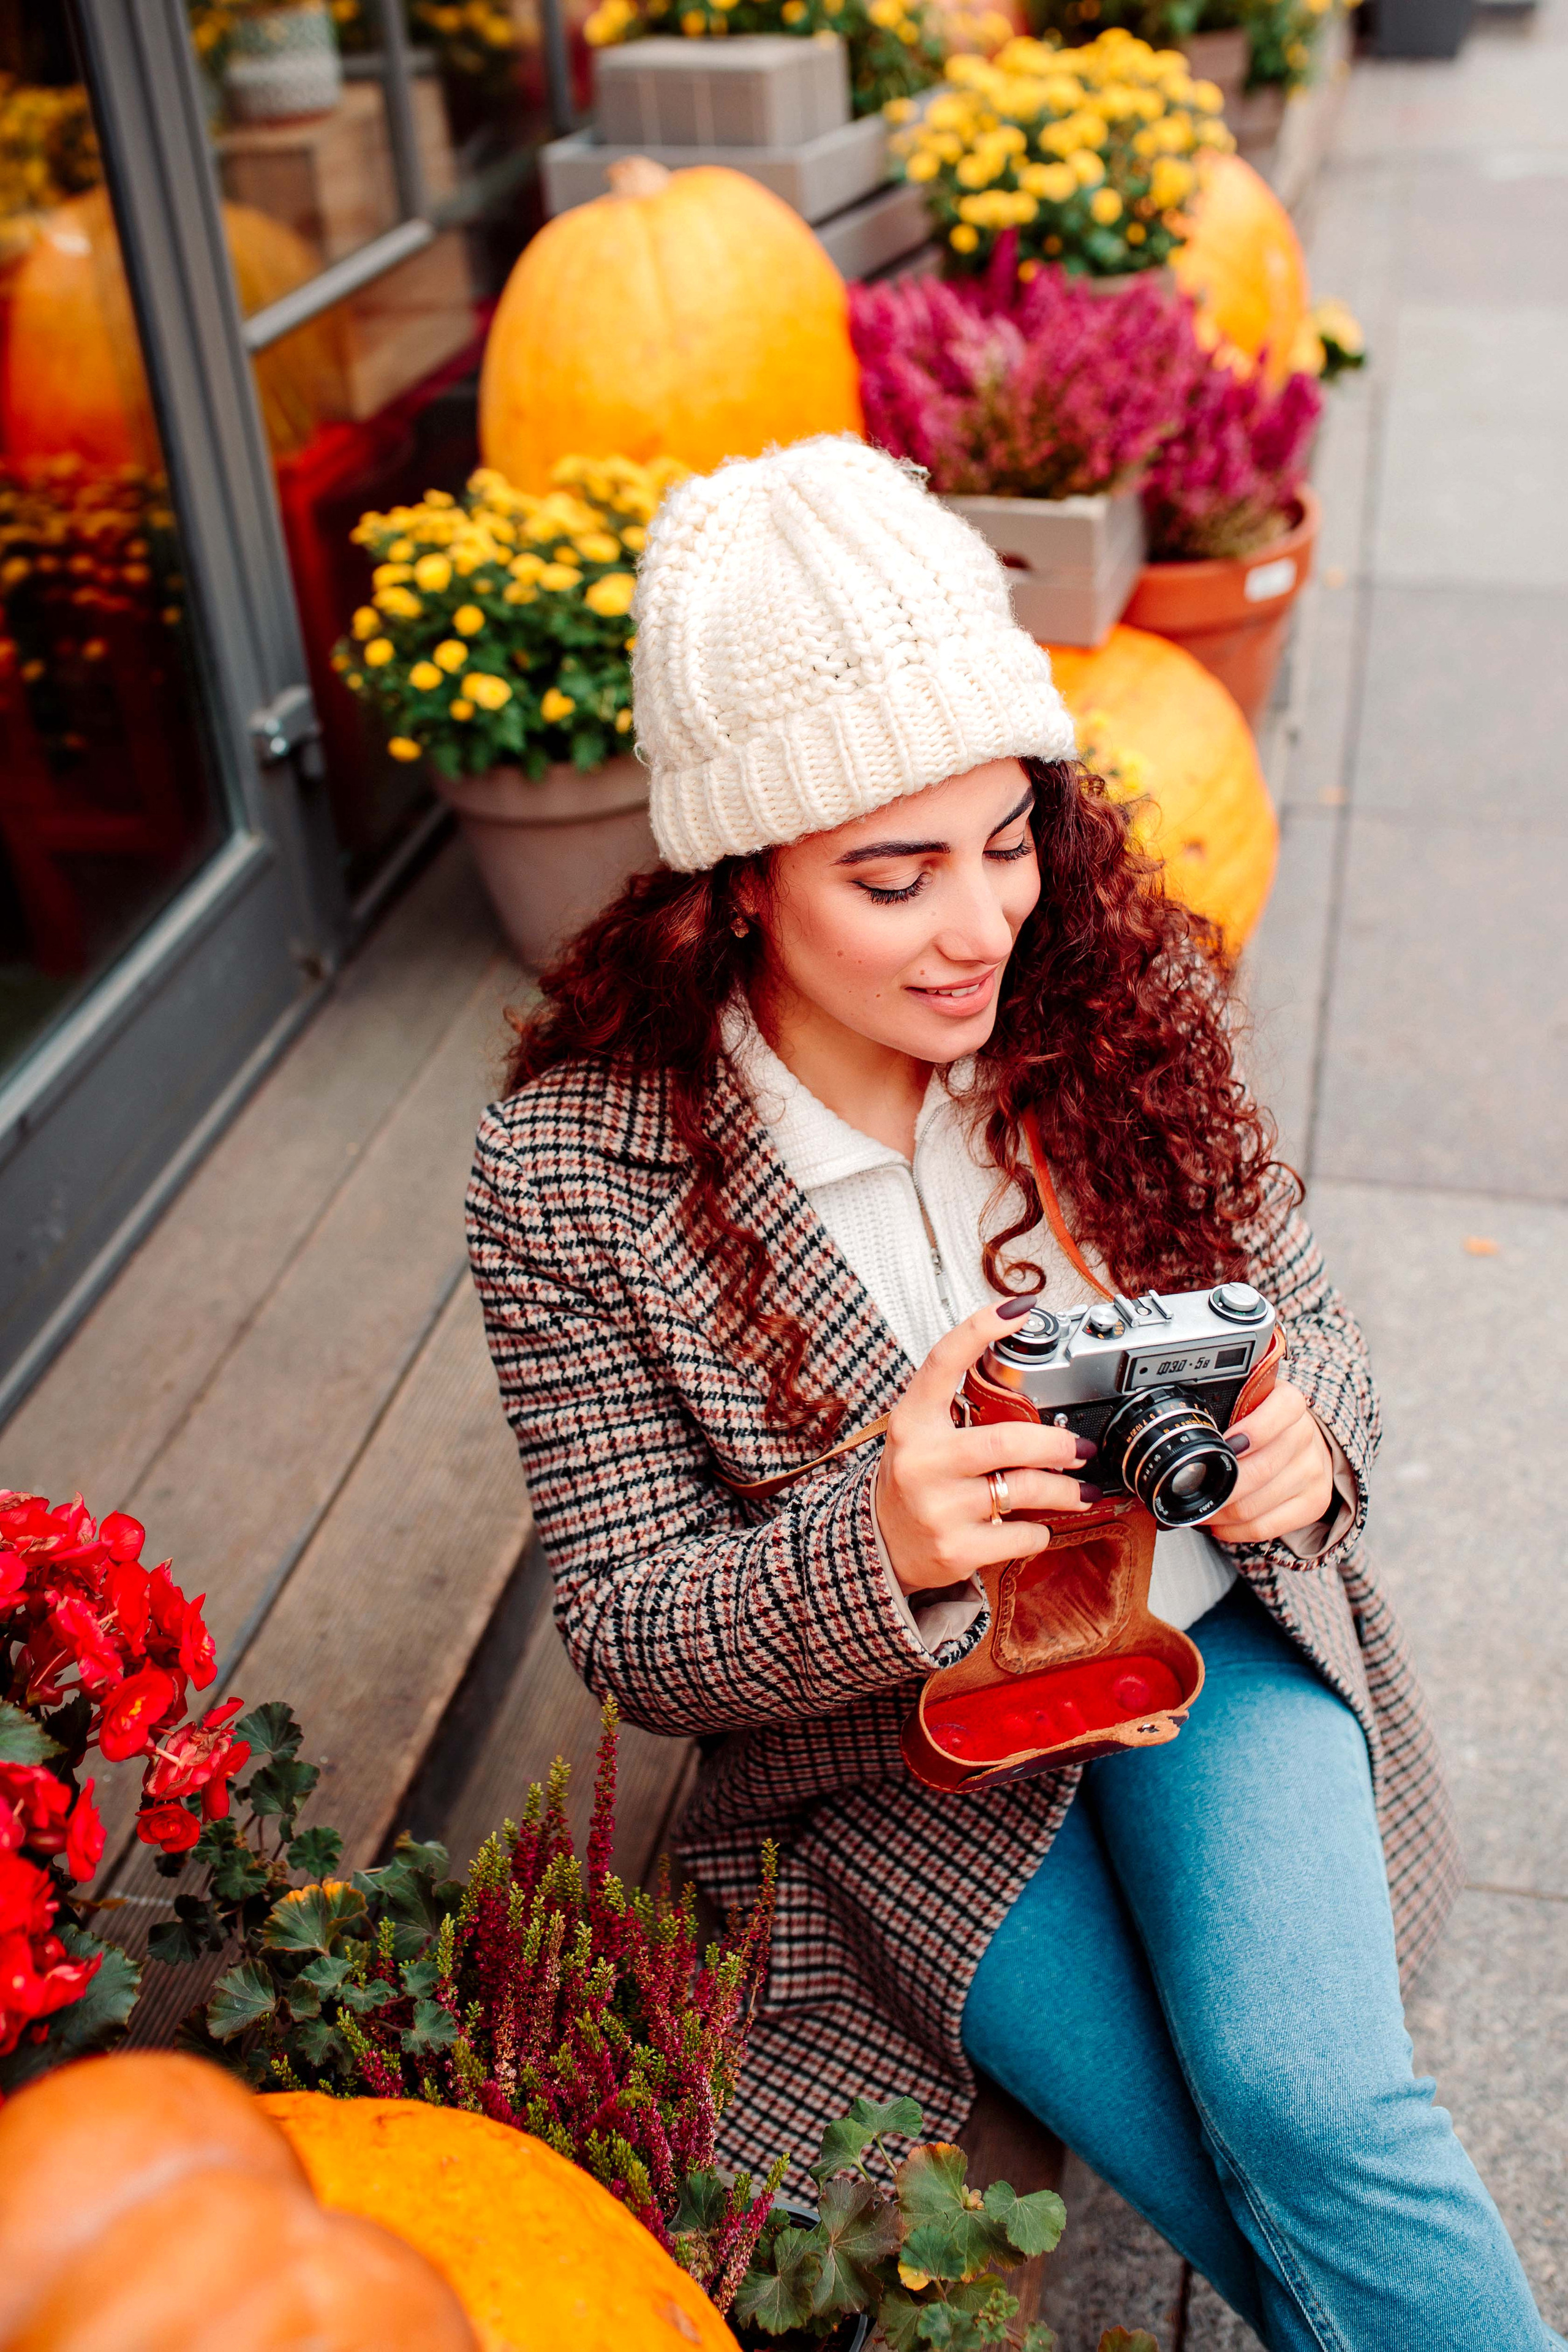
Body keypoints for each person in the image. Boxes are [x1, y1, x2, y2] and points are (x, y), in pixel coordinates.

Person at [467, 437, 1558, 2349]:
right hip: (914, 1752)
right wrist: (876, 1544)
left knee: (1312, 2103)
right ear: (736, 887)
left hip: (1214, 1656)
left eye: (1006, 839)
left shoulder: (1127, 1008)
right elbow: (633, 1624)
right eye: (894, 878)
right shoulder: (569, 1175)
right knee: (1213, 2148)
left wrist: (1309, 1448)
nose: (982, 928)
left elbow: (1324, 1340)